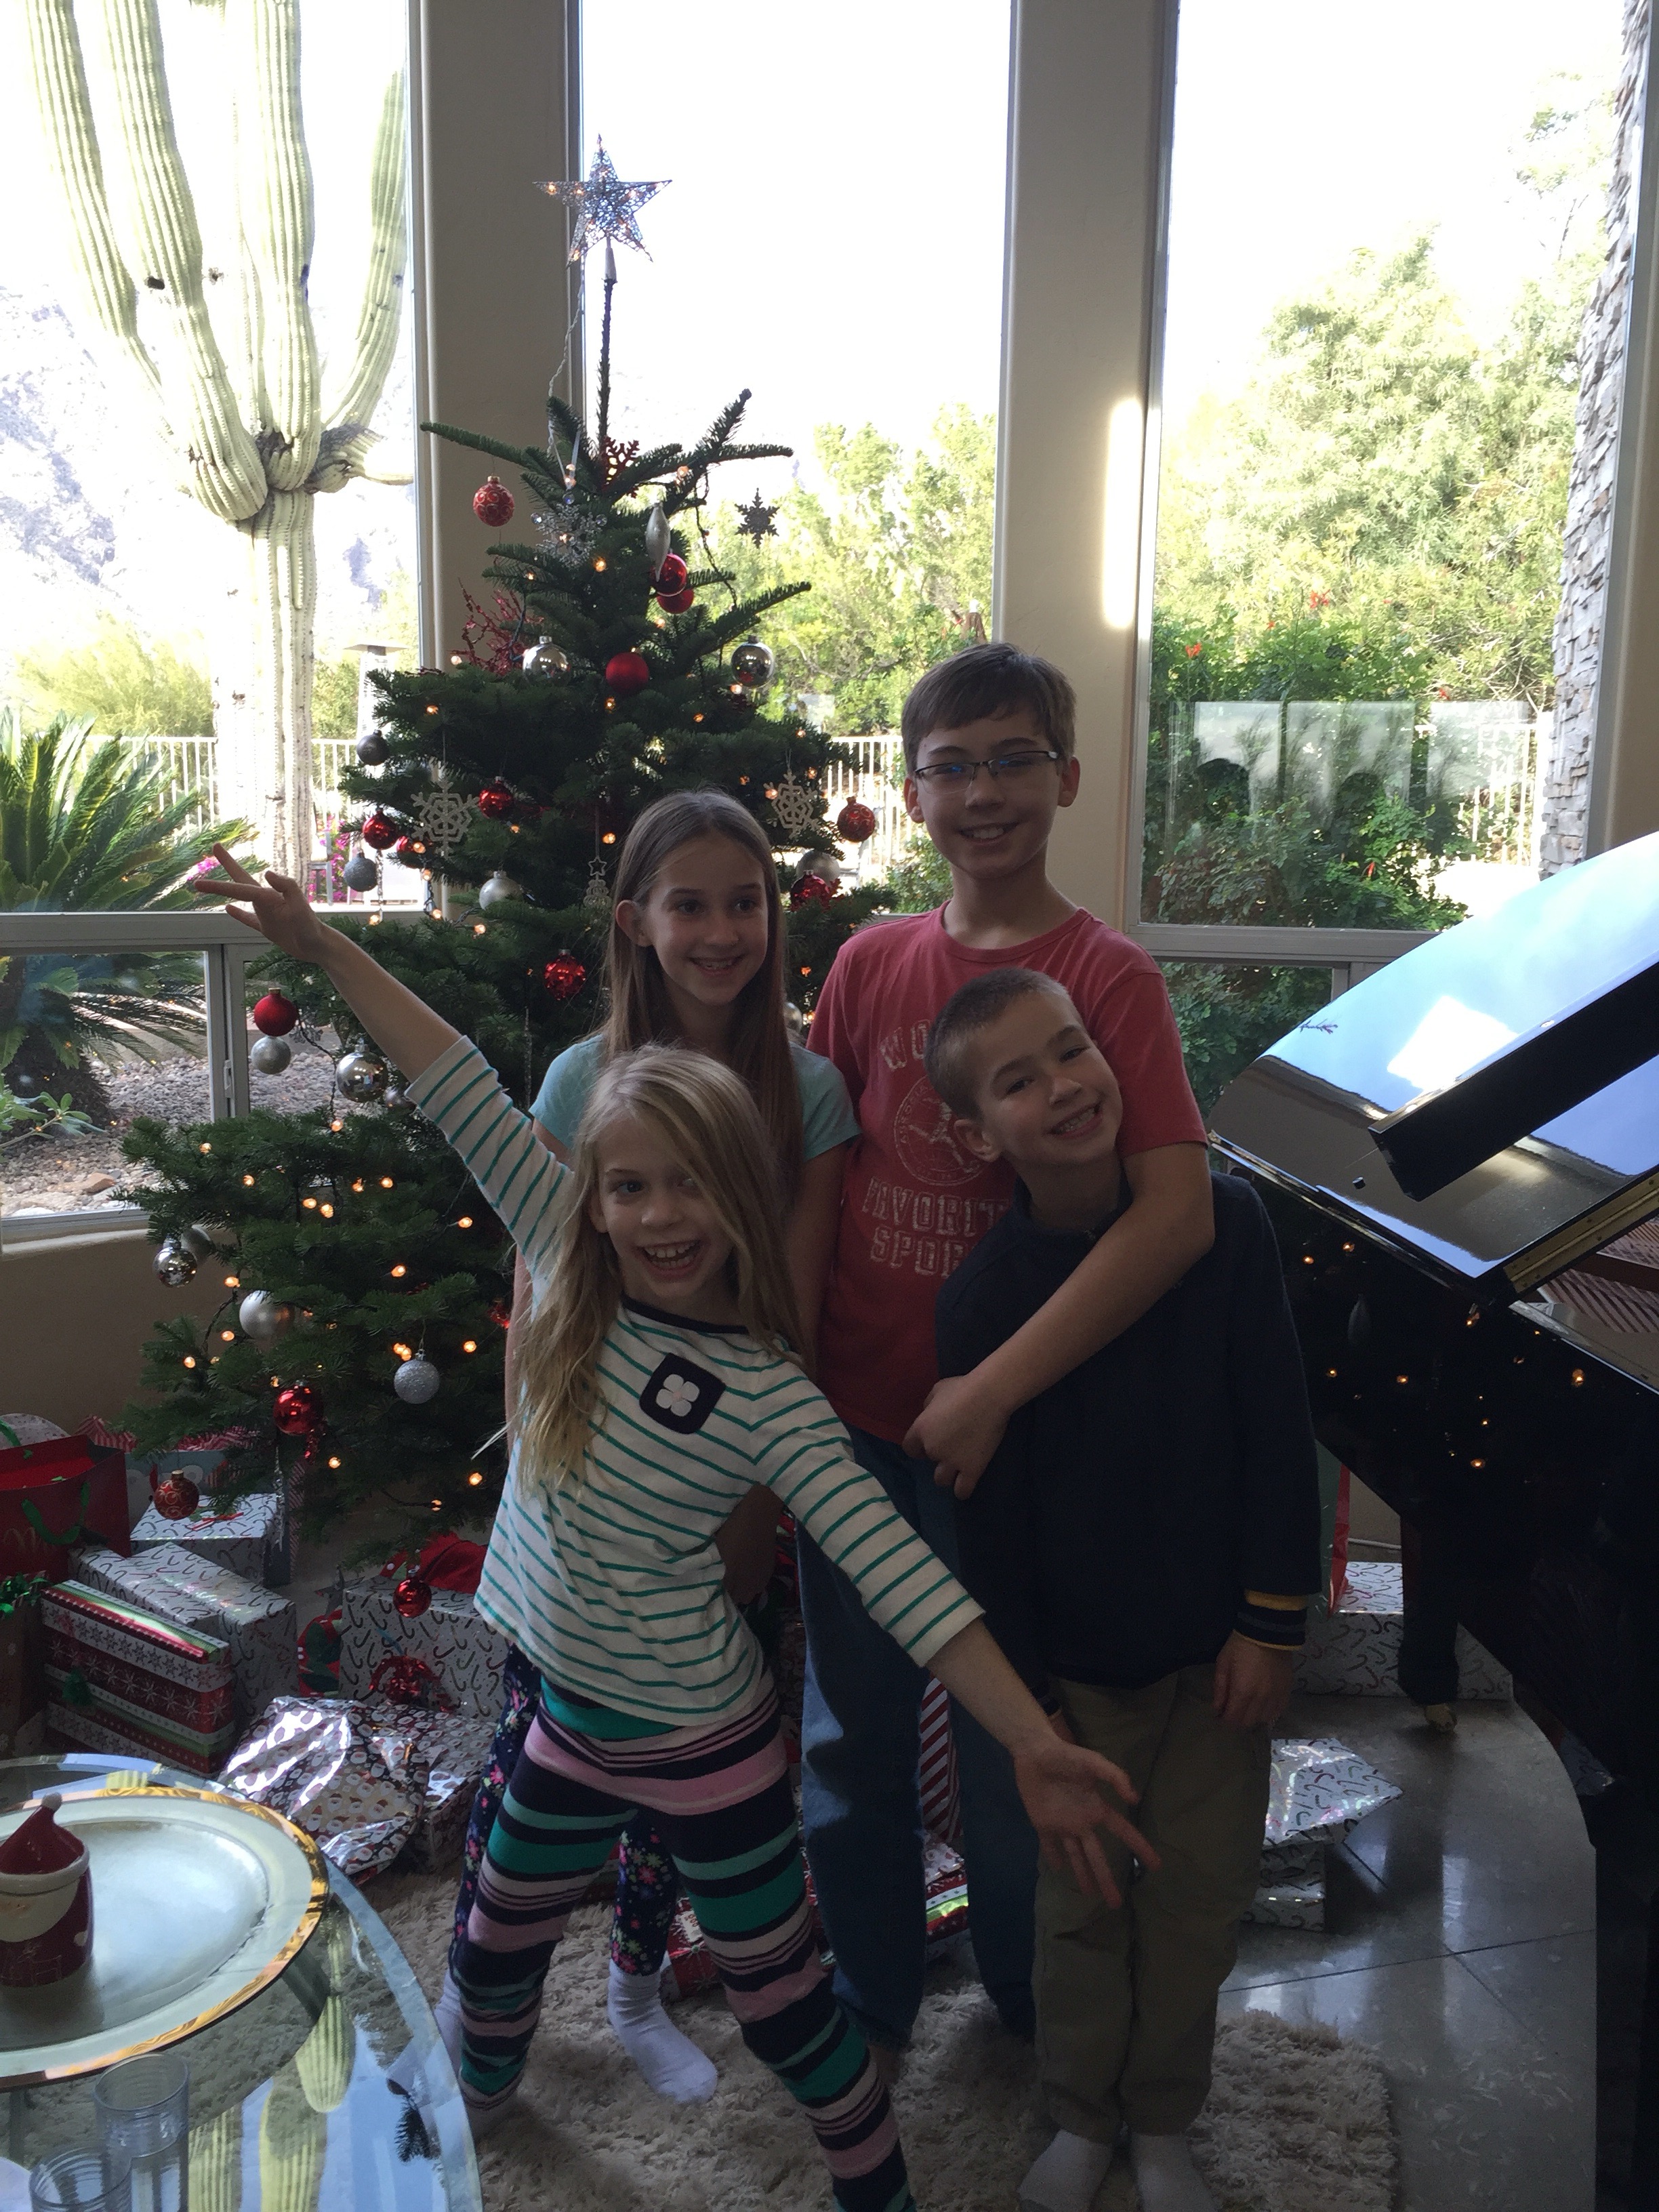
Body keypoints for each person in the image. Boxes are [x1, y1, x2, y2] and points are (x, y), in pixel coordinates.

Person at [198, 844, 1156, 2212]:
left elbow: (907, 1583)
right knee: (493, 1937)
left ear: (743, 1198)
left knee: (783, 2007)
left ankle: (878, 2185)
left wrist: (1033, 1741)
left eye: (693, 1186)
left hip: (707, 1749)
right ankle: (478, 2102)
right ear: (591, 1197)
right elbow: (450, 1074)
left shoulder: (769, 1394)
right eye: (631, 1186)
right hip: (564, 1720)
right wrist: (325, 949)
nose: (660, 1215)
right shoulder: (565, 1256)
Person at [801, 641, 1214, 2052]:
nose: (985, 793)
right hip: (855, 1430)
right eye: (953, 767)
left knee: (1013, 1737)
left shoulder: (1110, 978)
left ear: (1068, 777)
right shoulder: (868, 967)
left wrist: (989, 1392)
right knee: (852, 1730)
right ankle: (870, 1995)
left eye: (1015, 759)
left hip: (1025, 1448)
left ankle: (1034, 2007)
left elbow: (1174, 1218)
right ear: (914, 794)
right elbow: (819, 1184)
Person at [444, 789, 857, 2104]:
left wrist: (749, 1515)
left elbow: (789, 1316)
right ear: (637, 922)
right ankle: (472, 2004)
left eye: (747, 902)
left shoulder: (810, 1094)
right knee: (528, 1767)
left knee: (692, 1778)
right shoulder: (580, 1081)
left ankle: (636, 1985)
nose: (723, 930)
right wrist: (538, 1469)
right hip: (579, 1501)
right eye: (692, 904)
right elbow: (543, 1296)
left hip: (722, 1490)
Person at [924, 966, 1322, 2212]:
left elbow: (1279, 1433)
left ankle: (1163, 2121)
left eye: (1072, 1050)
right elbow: (991, 1537)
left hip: (1218, 1666)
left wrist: (1272, 1624)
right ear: (975, 1134)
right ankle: (1082, 2115)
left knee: (1198, 1904)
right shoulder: (983, 1304)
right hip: (1079, 1687)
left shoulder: (1228, 1228)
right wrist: (1034, 1711)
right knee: (1081, 1914)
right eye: (1019, 1079)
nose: (1063, 1086)